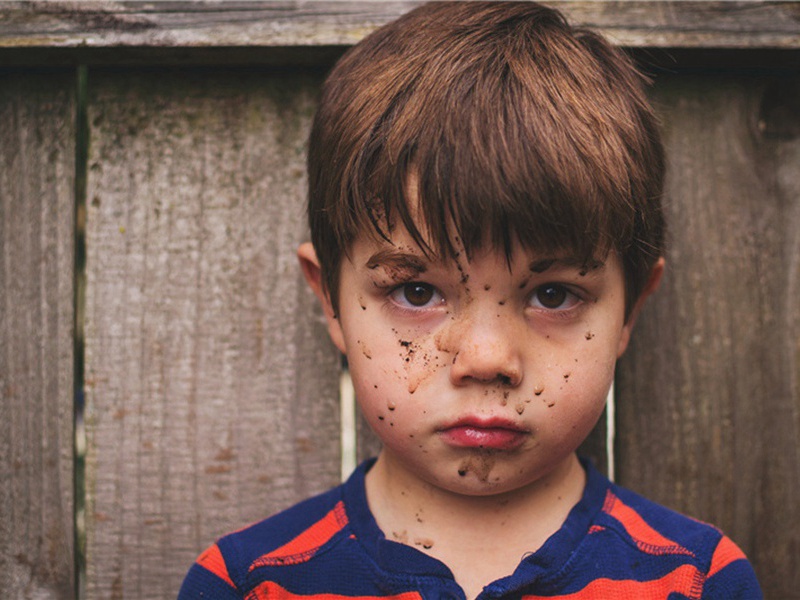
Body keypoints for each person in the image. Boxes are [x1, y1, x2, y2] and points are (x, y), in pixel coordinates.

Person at [178, 3, 762, 598]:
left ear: (630, 311)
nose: (485, 358)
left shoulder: (696, 580)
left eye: (553, 294)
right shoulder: (247, 582)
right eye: (416, 291)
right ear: (331, 300)